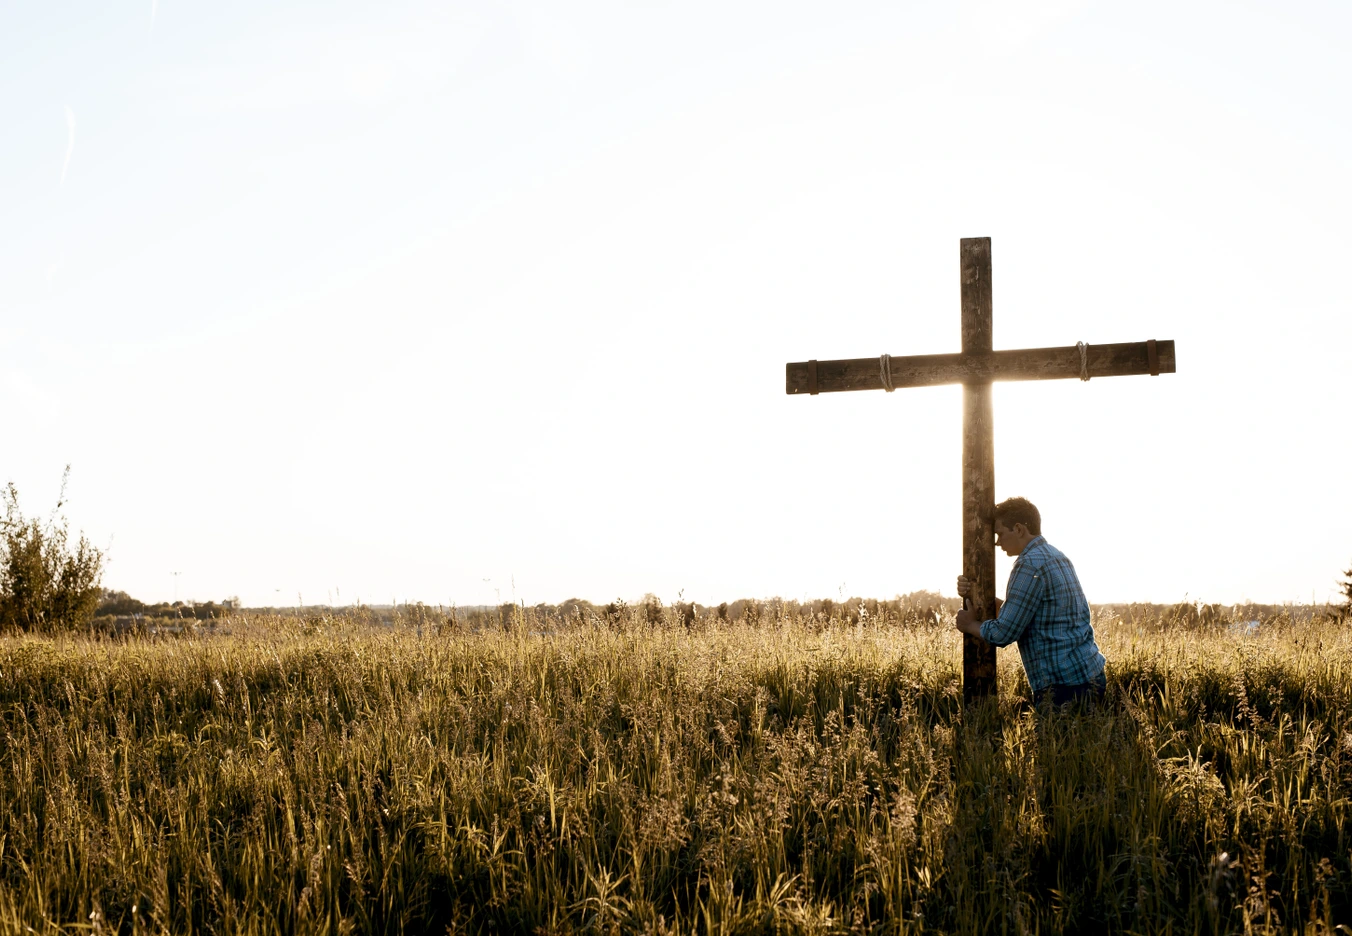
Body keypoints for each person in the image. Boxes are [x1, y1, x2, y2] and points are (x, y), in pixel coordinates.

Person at [954, 497, 1106, 707]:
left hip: (1063, 688)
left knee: (1053, 740)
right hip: (1089, 674)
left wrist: (969, 625)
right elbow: (1023, 613)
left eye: (999, 533)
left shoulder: (1029, 564)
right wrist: (974, 593)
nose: (997, 542)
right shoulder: (1056, 556)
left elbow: (1004, 633)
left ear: (1018, 529)